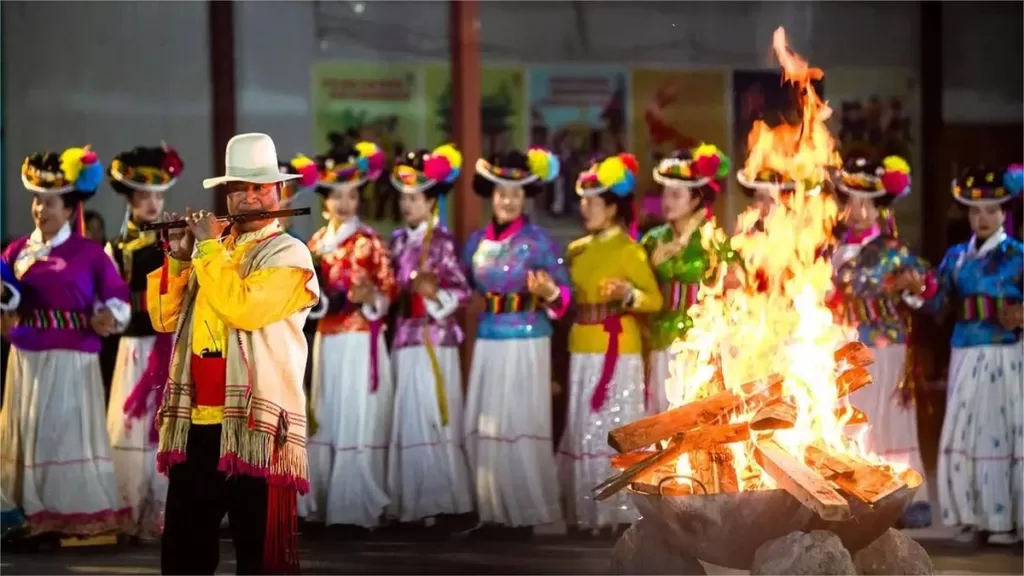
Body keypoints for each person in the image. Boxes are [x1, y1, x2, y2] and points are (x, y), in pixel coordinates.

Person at [146, 133, 319, 574]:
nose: (250, 197)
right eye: (240, 187)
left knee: (259, 555)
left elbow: (242, 307)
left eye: (260, 187)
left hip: (255, 427)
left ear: (278, 191)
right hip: (198, 421)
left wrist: (204, 249)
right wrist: (182, 258)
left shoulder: (290, 252)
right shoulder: (214, 251)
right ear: (227, 193)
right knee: (185, 552)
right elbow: (164, 319)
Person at [1, 147, 131, 541]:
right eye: (37, 201)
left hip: (71, 358)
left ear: (68, 206)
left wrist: (109, 317)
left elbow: (118, 300)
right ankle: (24, 512)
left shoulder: (89, 253)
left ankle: (64, 512)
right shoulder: (17, 251)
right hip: (24, 355)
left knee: (61, 431)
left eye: (50, 202)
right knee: (25, 429)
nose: (41, 209)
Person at [461, 148, 567, 539]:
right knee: (486, 421)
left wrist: (552, 291)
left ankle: (526, 511)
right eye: (502, 191)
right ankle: (490, 511)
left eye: (517, 193)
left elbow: (564, 294)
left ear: (526, 198)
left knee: (521, 421)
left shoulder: (539, 241)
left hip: (527, 338)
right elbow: (462, 285)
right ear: (491, 194)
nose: (508, 200)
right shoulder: (475, 242)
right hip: (489, 336)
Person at [557, 153, 663, 535]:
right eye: (583, 201)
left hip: (618, 349)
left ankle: (619, 512)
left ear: (613, 207)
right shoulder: (577, 250)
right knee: (583, 425)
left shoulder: (629, 250)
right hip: (582, 345)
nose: (585, 209)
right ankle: (587, 512)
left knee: (615, 424)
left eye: (594, 202)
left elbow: (654, 299)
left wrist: (628, 292)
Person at [829, 154, 935, 529]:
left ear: (880, 207)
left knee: (890, 421)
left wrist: (915, 288)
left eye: (867, 203)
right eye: (852, 202)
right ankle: (858, 492)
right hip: (846, 347)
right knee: (852, 420)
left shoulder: (893, 250)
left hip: (886, 347)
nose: (858, 211)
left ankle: (903, 496)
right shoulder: (834, 252)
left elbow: (928, 287)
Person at [299, 141, 397, 532]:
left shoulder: (369, 242)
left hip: (359, 341)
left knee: (355, 416)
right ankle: (323, 502)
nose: (344, 203)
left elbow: (389, 290)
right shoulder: (313, 245)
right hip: (327, 339)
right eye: (337, 196)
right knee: (326, 415)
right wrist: (321, 302)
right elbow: (305, 296)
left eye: (352, 195)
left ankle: (353, 508)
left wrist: (371, 295)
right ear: (324, 201)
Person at [929, 164, 1023, 547]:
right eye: (974, 211)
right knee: (965, 429)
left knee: (998, 432)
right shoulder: (956, 257)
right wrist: (913, 289)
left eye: (990, 211)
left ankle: (1004, 520)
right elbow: (937, 300)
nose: (981, 218)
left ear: (1004, 213)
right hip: (964, 350)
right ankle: (972, 516)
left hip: (1004, 355)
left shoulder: (1018, 254)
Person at [386, 145, 474, 532]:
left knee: (436, 419)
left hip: (434, 339)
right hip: (404, 337)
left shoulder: (441, 242)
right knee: (408, 419)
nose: (408, 205)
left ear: (431, 201)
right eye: (403, 198)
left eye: (415, 198)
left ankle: (443, 504)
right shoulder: (395, 241)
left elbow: (463, 292)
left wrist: (433, 294)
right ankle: (410, 505)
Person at [104, 144, 183, 542]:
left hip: (169, 347)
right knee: (130, 427)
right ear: (130, 198)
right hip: (133, 348)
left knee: (166, 428)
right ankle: (129, 508)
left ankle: (164, 511)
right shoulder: (116, 248)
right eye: (144, 196)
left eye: (158, 195)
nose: (152, 203)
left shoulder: (176, 240)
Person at [642, 144, 736, 413]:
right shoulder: (653, 240)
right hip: (661, 336)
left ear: (695, 199)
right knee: (660, 409)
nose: (667, 201)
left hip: (700, 340)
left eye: (676, 195)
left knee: (694, 413)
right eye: (665, 193)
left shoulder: (713, 240)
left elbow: (733, 287)